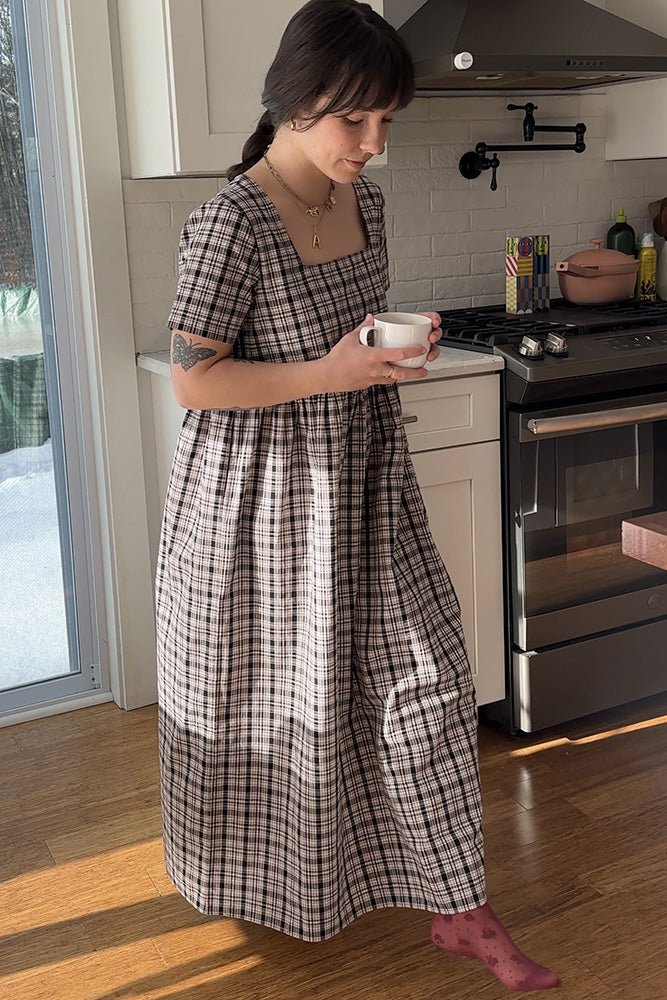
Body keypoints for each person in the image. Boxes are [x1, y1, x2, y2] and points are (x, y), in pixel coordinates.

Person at [155, 0, 560, 992]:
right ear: (293, 99)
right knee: (283, 705)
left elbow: (346, 334)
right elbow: (193, 382)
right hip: (261, 509)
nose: (374, 144)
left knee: (430, 682)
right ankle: (272, 889)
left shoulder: (363, 203)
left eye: (386, 120)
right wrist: (330, 372)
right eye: (355, 120)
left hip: (367, 485)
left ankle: (462, 907)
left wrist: (388, 345)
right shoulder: (229, 223)